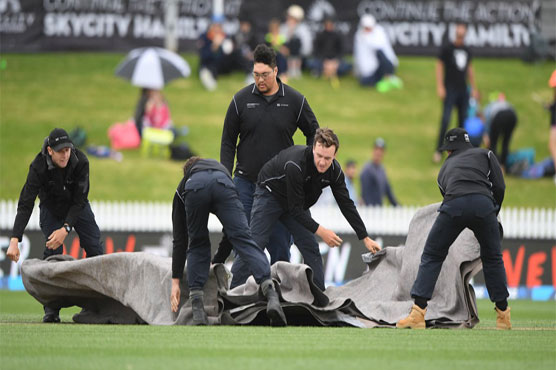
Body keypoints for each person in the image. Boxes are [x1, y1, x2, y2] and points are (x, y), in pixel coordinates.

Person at [217, 44, 320, 287]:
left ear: (276, 71)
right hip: (245, 183)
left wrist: (305, 172)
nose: (260, 80)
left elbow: (314, 136)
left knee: (281, 248)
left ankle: (283, 302)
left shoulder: (295, 101)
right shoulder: (240, 100)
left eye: (264, 75)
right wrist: (224, 176)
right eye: (256, 74)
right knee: (245, 245)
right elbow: (227, 142)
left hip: (280, 189)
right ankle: (235, 300)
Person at [231, 128, 381, 291]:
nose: (322, 162)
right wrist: (322, 231)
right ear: (313, 149)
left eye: (328, 158)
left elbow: (346, 203)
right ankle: (232, 293)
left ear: (335, 156)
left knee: (310, 246)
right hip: (270, 194)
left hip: (294, 201)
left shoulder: (335, 172)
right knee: (256, 243)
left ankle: (319, 299)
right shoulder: (296, 164)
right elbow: (296, 210)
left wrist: (364, 237)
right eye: (319, 156)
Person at [397, 128, 511, 330]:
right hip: (484, 205)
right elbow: (500, 186)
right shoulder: (486, 154)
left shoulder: (444, 168)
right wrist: (493, 211)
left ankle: (418, 314)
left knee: (432, 255)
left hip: (454, 206)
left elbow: (446, 193)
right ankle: (503, 316)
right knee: (493, 257)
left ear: (449, 150)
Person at [170, 156, 286, 326]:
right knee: (244, 239)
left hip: (196, 187)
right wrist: (218, 260)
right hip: (223, 183)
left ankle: (197, 306)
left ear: (186, 173)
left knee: (197, 242)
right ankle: (271, 293)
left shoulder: (184, 186)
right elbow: (231, 235)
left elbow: (180, 239)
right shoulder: (219, 171)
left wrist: (175, 281)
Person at [6, 128, 104, 323]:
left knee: (95, 250)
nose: (65, 154)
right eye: (60, 151)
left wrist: (66, 228)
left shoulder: (81, 161)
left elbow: (79, 200)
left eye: (67, 150)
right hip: (51, 208)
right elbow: (26, 203)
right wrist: (14, 239)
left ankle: (95, 306)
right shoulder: (38, 166)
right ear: (50, 150)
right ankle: (51, 308)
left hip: (78, 207)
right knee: (54, 253)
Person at [433, 23, 478, 163]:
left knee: (462, 122)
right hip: (450, 89)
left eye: (463, 28)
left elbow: (469, 69)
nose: (461, 31)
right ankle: (438, 150)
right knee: (446, 119)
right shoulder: (447, 49)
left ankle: (460, 152)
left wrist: (474, 88)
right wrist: (440, 86)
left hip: (463, 90)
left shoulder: (467, 50)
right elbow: (439, 66)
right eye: (459, 28)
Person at [353, 14, 401, 91]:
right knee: (363, 82)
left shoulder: (379, 32)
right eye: (366, 27)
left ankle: (388, 78)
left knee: (380, 54)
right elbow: (358, 55)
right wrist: (357, 70)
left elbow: (378, 46)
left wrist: (366, 37)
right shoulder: (359, 35)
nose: (368, 29)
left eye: (369, 27)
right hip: (369, 70)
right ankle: (385, 80)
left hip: (385, 65)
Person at [198, 21, 249, 91]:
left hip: (224, 65)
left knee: (238, 54)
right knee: (207, 69)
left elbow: (231, 53)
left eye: (219, 26)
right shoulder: (205, 37)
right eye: (215, 26)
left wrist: (230, 48)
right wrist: (214, 47)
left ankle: (251, 74)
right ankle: (209, 79)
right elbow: (204, 57)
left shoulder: (226, 37)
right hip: (211, 64)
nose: (217, 29)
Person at [310, 17, 350, 88]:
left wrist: (335, 61)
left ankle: (326, 72)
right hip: (323, 61)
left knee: (346, 66)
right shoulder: (320, 35)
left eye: (330, 24)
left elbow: (342, 51)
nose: (329, 26)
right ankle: (328, 72)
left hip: (335, 61)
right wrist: (325, 62)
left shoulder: (338, 36)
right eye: (327, 24)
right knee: (311, 63)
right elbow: (316, 51)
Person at [482, 93, 517, 170]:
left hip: (499, 116)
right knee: (506, 142)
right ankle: (503, 165)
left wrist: (486, 135)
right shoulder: (506, 103)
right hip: (512, 116)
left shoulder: (489, 107)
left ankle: (495, 167)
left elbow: (486, 121)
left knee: (493, 143)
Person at [360, 138, 399, 207]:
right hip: (369, 211)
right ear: (373, 151)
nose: (378, 152)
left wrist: (398, 207)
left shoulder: (382, 170)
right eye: (376, 149)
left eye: (381, 150)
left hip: (378, 210)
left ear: (384, 153)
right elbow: (365, 194)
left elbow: (388, 191)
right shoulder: (367, 170)